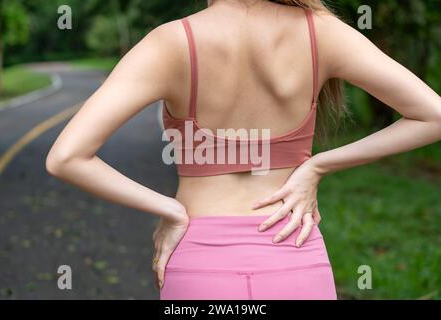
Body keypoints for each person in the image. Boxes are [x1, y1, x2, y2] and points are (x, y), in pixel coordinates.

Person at [45, 0, 441, 300]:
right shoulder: (322, 31)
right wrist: (318, 166)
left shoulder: (170, 42)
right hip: (296, 258)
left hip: (199, 266)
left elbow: (66, 157)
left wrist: (170, 209)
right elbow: (432, 116)